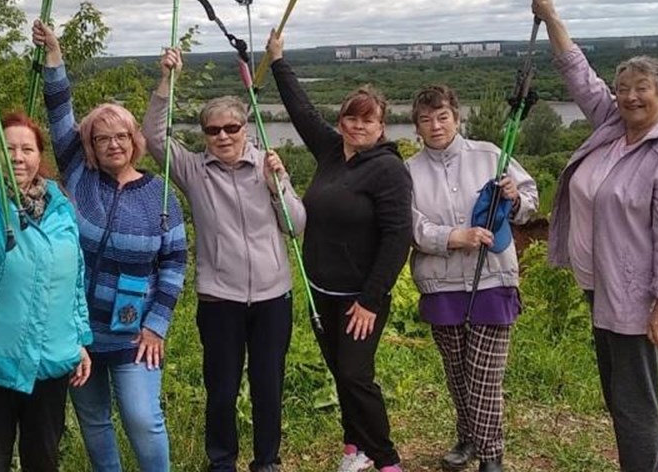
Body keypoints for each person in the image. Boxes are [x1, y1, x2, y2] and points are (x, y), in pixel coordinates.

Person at [533, 0, 658, 472]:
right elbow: (577, 73)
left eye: (642, 88)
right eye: (623, 87)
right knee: (620, 395)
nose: (630, 96)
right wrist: (551, 18)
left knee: (633, 401)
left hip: (635, 294)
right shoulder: (614, 126)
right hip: (601, 285)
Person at [36, 19, 187, 472]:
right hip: (79, 331)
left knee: (143, 419)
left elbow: (175, 261)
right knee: (95, 421)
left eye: (121, 136)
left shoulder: (160, 194)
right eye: (103, 138)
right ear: (91, 146)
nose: (114, 144)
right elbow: (59, 110)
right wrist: (54, 55)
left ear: (134, 141)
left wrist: (156, 324)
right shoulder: (80, 178)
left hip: (133, 332)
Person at [144, 48, 304, 472]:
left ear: (246, 127)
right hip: (220, 298)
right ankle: (222, 461)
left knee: (268, 384)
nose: (223, 136)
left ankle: (267, 460)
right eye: (213, 130)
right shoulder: (194, 171)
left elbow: (296, 225)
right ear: (205, 135)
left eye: (231, 127)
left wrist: (279, 185)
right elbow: (154, 137)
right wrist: (166, 80)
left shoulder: (267, 165)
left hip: (273, 296)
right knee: (222, 387)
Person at [0, 34, 93, 472]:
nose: (19, 156)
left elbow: (74, 281)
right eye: (7, 148)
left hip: (51, 363)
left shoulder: (61, 205)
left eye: (27, 148)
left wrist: (79, 341)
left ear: (40, 156)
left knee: (43, 461)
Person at [266, 31, 413, 472]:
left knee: (354, 374)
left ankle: (386, 459)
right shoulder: (332, 151)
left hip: (358, 297)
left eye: (368, 121)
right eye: (351, 118)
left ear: (382, 126)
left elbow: (397, 237)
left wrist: (370, 300)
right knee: (340, 372)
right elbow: (302, 111)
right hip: (321, 291)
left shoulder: (389, 170)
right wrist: (278, 61)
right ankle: (355, 446)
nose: (357, 126)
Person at [406, 85, 539, 472]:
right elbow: (411, 227)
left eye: (443, 116)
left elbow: (530, 202)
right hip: (440, 284)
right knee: (458, 372)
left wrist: (515, 198)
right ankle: (467, 436)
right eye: (426, 119)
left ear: (457, 118)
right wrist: (452, 238)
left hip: (493, 280)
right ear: (416, 127)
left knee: (484, 373)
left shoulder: (491, 155)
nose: (436, 125)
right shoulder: (408, 172)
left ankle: (491, 454)